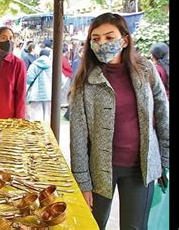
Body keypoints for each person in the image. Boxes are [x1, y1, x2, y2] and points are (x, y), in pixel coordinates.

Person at [69, 12, 169, 230]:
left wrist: (164, 160)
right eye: (96, 39)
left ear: (124, 40)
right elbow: (77, 135)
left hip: (140, 169)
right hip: (100, 169)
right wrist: (82, 182)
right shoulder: (86, 79)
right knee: (91, 225)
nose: (102, 43)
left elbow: (163, 115)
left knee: (135, 227)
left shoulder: (145, 70)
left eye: (109, 37)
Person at [26, 49, 52, 123]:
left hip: (35, 94)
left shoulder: (34, 65)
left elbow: (28, 79)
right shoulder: (53, 65)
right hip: (49, 94)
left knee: (36, 117)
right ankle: (47, 132)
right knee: (48, 117)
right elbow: (61, 81)